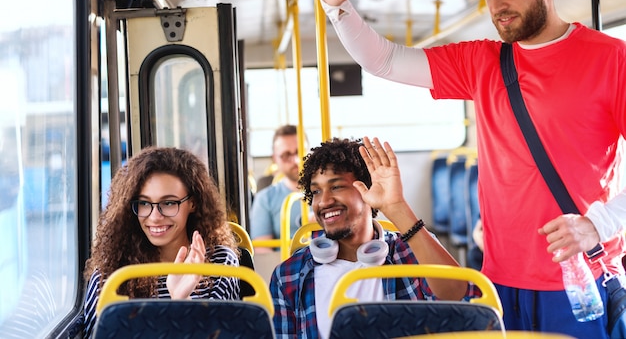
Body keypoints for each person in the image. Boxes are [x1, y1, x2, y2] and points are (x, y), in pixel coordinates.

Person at [317, 0, 626, 337]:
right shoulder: (482, 62)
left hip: (578, 280)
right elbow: (385, 61)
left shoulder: (611, 60)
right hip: (496, 282)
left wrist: (597, 224)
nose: (497, 4)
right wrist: (337, 6)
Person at [269, 136, 476, 338]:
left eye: (336, 186)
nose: (324, 201)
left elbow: (461, 299)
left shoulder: (409, 251)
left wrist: (396, 208)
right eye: (315, 191)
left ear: (366, 189)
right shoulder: (289, 276)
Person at [77, 146, 240, 338]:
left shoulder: (218, 263)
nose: (154, 217)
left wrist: (182, 301)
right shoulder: (112, 271)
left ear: (193, 203)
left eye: (169, 203)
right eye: (144, 203)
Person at [251, 124, 305, 253]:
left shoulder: (329, 192)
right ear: (275, 159)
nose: (296, 160)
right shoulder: (265, 199)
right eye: (286, 155)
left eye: (300, 151)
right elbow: (263, 250)